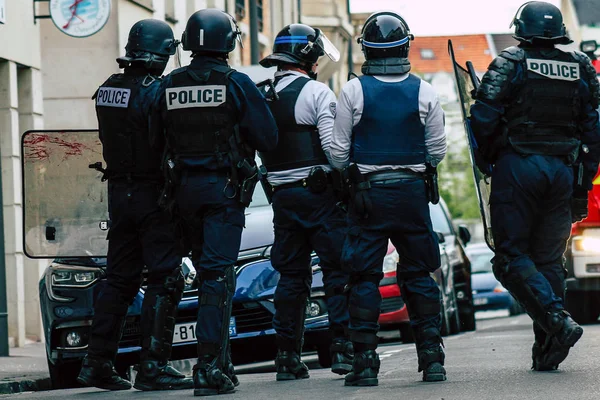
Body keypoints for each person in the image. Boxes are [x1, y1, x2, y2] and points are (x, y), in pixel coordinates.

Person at [151, 8, 278, 397]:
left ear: (188, 43)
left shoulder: (167, 85)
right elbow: (268, 138)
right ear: (227, 43)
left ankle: (208, 363)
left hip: (181, 194)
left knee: (189, 274)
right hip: (223, 193)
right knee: (217, 277)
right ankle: (208, 368)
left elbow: (155, 141)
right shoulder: (237, 84)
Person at [469, 1, 600, 371]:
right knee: (548, 260)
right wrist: (581, 184)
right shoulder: (581, 67)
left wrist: (497, 158)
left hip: (519, 167)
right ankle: (548, 349)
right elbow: (594, 132)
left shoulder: (508, 63)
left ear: (520, 29)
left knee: (510, 257)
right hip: (563, 170)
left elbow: (481, 121)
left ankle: (557, 321)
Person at [330, 11, 447, 386]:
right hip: (412, 194)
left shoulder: (352, 90)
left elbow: (336, 152)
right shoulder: (425, 90)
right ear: (405, 45)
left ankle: (364, 364)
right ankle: (432, 359)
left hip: (367, 196)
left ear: (366, 48)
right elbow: (438, 149)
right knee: (419, 273)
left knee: (363, 277)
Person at [77, 19, 192, 391]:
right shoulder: (155, 91)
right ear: (160, 54)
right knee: (166, 277)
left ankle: (96, 362)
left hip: (118, 194)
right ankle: (153, 366)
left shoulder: (108, 88)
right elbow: (167, 142)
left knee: (119, 279)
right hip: (152, 194)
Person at [258, 24, 352, 381]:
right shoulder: (317, 93)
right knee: (337, 271)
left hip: (282, 199)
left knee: (291, 277)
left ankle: (287, 357)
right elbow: (335, 153)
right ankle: (342, 350)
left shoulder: (261, 94)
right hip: (319, 196)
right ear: (310, 57)